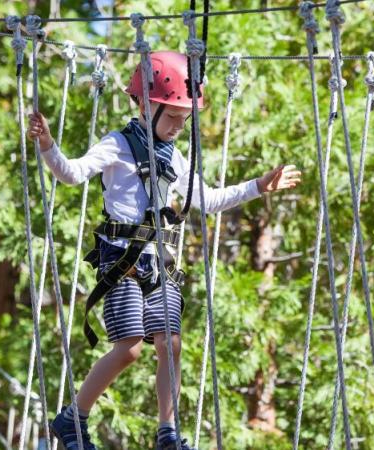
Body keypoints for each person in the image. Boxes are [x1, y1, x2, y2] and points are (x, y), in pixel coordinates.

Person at [27, 51, 301, 450]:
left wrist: (258, 186)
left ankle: (167, 432)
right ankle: (73, 418)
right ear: (144, 104)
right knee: (130, 350)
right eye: (172, 116)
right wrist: (48, 145)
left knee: (170, 345)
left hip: (159, 261)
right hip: (121, 260)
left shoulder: (175, 156)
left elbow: (207, 199)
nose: (177, 126)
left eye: (184, 119)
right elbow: (71, 174)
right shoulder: (118, 144)